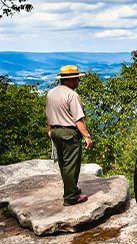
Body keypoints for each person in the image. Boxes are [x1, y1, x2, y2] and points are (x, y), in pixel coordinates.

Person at [46, 65, 93, 206]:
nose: (79, 80)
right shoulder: (72, 95)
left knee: (63, 163)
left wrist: (50, 130)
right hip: (69, 133)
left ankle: (71, 189)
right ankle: (71, 197)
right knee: (72, 165)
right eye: (77, 78)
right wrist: (87, 137)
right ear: (70, 79)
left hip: (55, 131)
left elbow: (48, 114)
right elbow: (78, 119)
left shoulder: (51, 93)